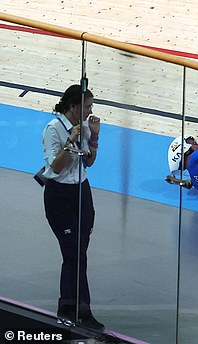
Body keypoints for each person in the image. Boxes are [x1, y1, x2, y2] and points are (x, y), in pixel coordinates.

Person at [41, 84, 104, 330]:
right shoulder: (53, 129)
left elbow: (88, 162)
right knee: (73, 253)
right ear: (74, 107)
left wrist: (95, 136)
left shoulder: (85, 127)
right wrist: (70, 141)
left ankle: (72, 306)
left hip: (81, 191)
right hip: (59, 196)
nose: (90, 111)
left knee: (79, 253)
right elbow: (56, 167)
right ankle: (76, 308)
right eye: (87, 107)